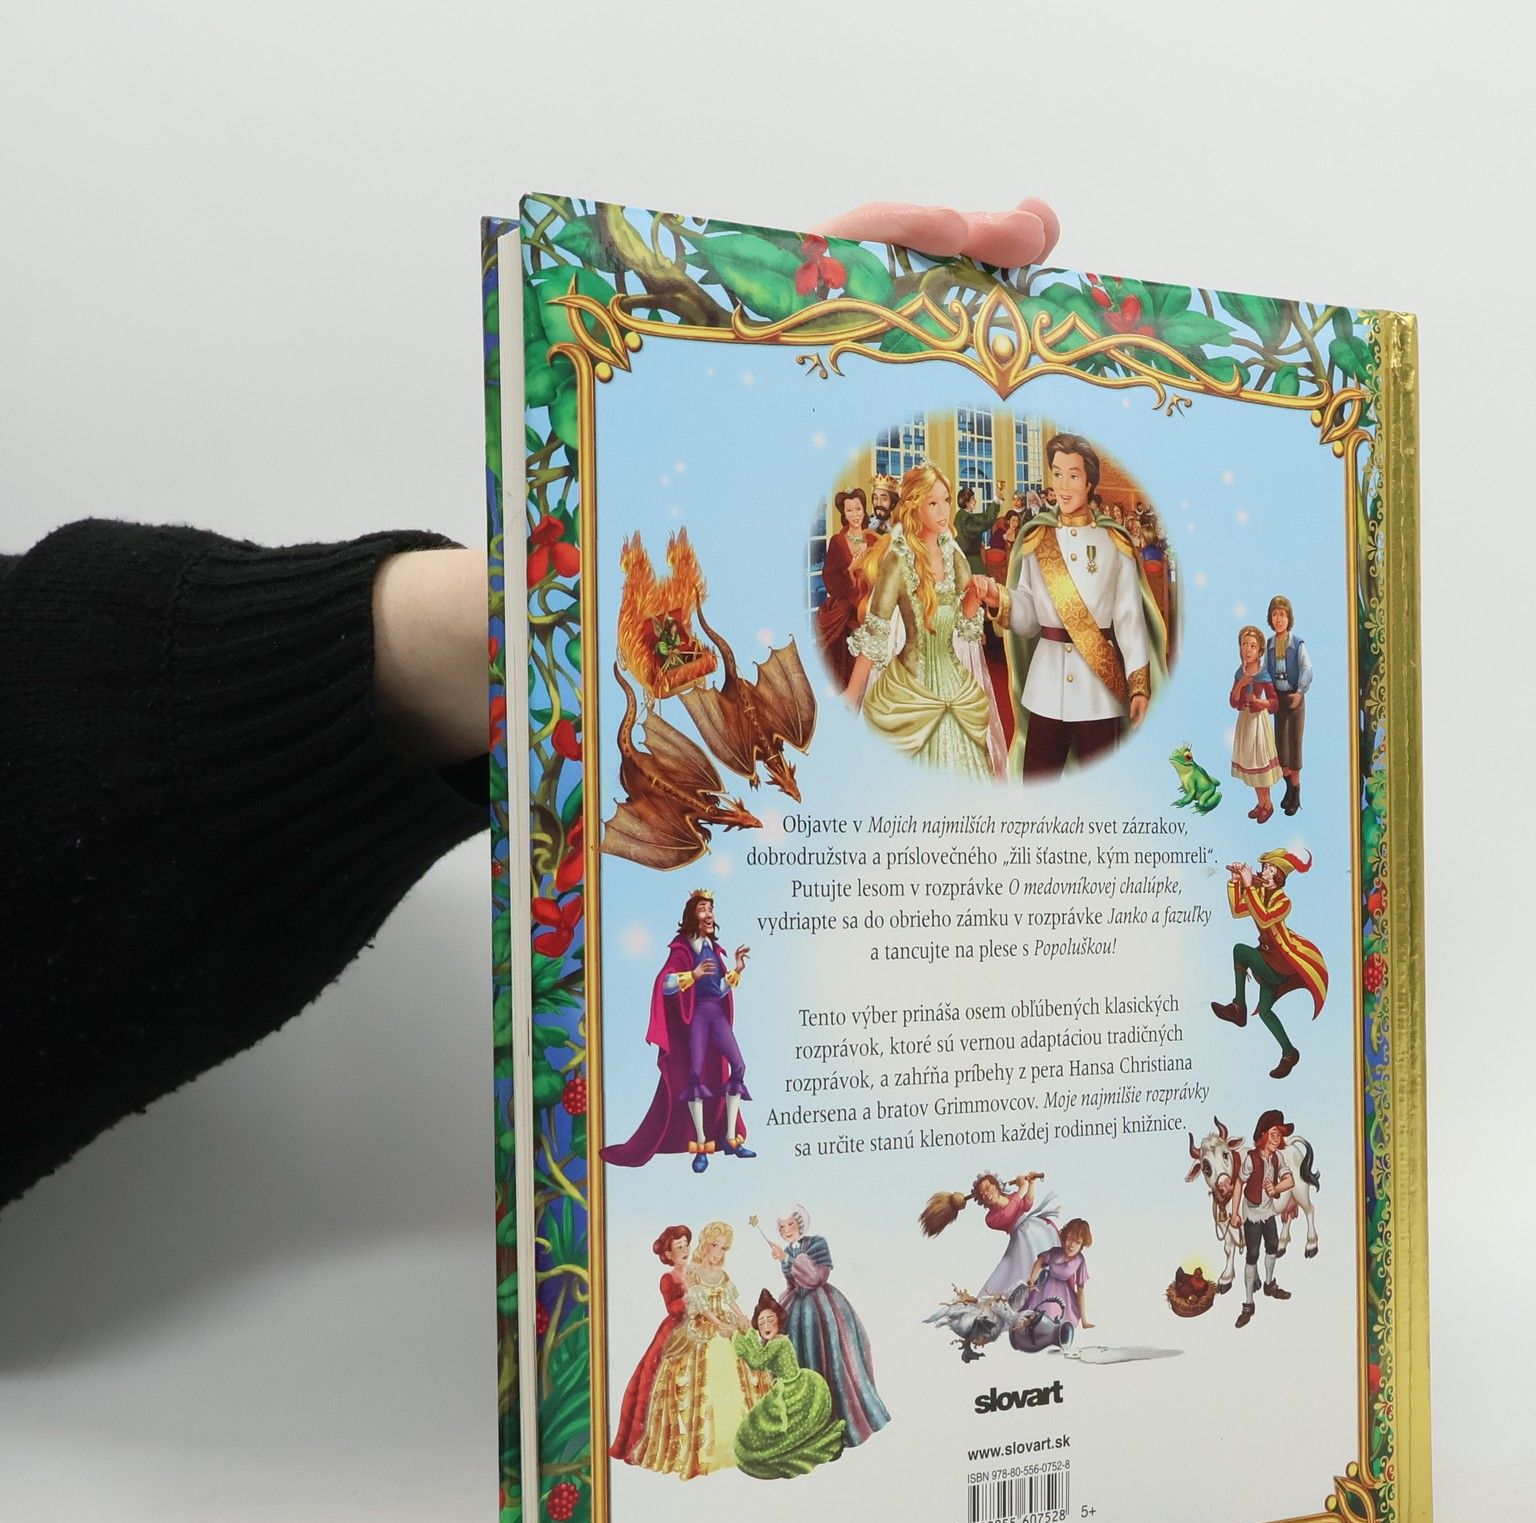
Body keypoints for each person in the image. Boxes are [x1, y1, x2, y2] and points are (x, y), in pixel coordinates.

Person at [0, 198, 1061, 1210]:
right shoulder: (874, 580)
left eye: (939, 502)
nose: (936, 511)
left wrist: (510, 624)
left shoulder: (945, 570)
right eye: (929, 500)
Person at [1000, 432, 1169, 779]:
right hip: (1046, 688)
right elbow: (1028, 619)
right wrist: (997, 600)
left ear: (1090, 482)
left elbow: (1129, 619)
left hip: (1099, 691)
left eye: (1073, 476)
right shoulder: (1036, 539)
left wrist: (1139, 685)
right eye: (1057, 474)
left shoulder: (1115, 542)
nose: (1063, 486)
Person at [844, 464, 1009, 778]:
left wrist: (975, 595)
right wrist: (853, 694)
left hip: (955, 683)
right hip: (910, 689)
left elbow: (965, 625)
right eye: (933, 503)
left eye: (946, 500)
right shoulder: (898, 560)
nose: (944, 510)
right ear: (914, 507)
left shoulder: (953, 555)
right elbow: (876, 633)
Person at [602, 888, 753, 1173]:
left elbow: (719, 989)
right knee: (695, 1075)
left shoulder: (713, 949)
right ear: (692, 916)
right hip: (697, 1017)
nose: (709, 914)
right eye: (703, 909)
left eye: (711, 909)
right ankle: (701, 1145)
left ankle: (731, 1138)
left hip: (716, 1015)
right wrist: (692, 975)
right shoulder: (682, 949)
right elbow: (665, 983)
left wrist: (737, 969)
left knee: (739, 1066)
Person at [633, 1221, 769, 1479]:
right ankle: (706, 1452)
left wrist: (742, 1318)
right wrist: (719, 1325)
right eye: (714, 1245)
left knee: (743, 1370)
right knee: (704, 1379)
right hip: (703, 1327)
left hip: (724, 1324)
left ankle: (742, 1443)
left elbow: (730, 1301)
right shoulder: (693, 1273)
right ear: (705, 1245)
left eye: (723, 1248)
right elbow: (702, 1307)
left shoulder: (723, 1274)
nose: (718, 1252)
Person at [769, 1205, 890, 1445]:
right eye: (782, 1227)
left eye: (790, 1224)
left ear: (800, 1224)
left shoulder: (816, 1243)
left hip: (823, 1309)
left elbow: (816, 1277)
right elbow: (791, 1284)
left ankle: (843, 1423)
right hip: (798, 1310)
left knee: (833, 1359)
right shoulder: (787, 1251)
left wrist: (788, 1259)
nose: (786, 1230)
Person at [1210, 845, 1328, 1078]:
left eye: (1270, 870)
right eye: (1264, 868)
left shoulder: (1283, 901)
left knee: (1240, 950)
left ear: (1279, 876)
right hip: (1267, 960)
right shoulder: (1260, 893)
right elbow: (1238, 910)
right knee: (1265, 1012)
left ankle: (1238, 1007)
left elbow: (1264, 919)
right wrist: (1235, 883)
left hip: (1279, 964)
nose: (1264, 872)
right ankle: (1289, 1052)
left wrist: (1248, 886)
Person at [730, 1292, 847, 1480]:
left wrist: (737, 1336)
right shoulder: (770, 1343)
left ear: (779, 1321)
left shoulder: (779, 1342)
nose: (766, 1326)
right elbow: (758, 1353)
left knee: (768, 1435)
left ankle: (797, 1452)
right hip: (784, 1390)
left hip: (794, 1389)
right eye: (761, 1323)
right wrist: (743, 1330)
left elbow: (757, 1361)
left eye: (770, 1320)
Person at [609, 1224, 695, 1465]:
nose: (685, 1250)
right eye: (679, 1247)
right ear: (669, 1254)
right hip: (676, 1329)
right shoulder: (668, 1279)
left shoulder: (696, 1271)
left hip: (699, 1325)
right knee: (652, 1378)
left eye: (686, 1245)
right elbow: (673, 1308)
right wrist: (690, 1294)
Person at [920, 1170, 1062, 1297]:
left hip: (1036, 1229)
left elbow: (1027, 1205)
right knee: (1024, 1269)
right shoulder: (990, 1218)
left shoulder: (1013, 1196)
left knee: (1048, 1261)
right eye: (982, 1194)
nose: (986, 1194)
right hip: (1021, 1239)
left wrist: (1030, 1184)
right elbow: (1008, 1213)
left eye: (988, 1187)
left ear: (997, 1185)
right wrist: (1022, 1188)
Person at [1229, 1112, 1295, 1329]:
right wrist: (1235, 1213)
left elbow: (1290, 1181)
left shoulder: (1277, 1158)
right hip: (1252, 1213)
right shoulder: (1251, 1158)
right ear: (1263, 1135)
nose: (1277, 1139)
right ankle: (1248, 1303)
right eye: (1274, 1134)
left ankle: (1268, 1283)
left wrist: (1275, 1188)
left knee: (1273, 1246)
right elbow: (1239, 1184)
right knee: (1252, 1255)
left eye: (1280, 1135)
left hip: (1268, 1212)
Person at [815, 488, 878, 688]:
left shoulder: (873, 540)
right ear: (844, 513)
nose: (855, 515)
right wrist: (850, 569)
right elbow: (829, 577)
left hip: (870, 600)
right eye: (849, 510)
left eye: (858, 509)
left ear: (864, 510)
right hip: (847, 604)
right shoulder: (837, 541)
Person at [1264, 593, 1312, 816]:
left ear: (1289, 617)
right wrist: (1267, 695)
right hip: (1279, 699)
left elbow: (1307, 669)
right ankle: (1289, 788)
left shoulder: (1298, 644)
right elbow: (1266, 672)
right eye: (1274, 614)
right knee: (1280, 747)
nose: (1278, 619)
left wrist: (1300, 693)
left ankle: (1296, 793)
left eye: (1282, 614)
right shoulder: (1270, 644)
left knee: (1294, 746)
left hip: (1295, 699)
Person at [1228, 623, 1282, 823]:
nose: (1247, 649)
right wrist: (1240, 685)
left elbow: (1274, 703)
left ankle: (1268, 804)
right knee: (1251, 765)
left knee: (1260, 766)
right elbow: (1233, 702)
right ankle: (1261, 803)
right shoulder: (1240, 673)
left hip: (1258, 724)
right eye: (1244, 644)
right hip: (1245, 723)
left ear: (1259, 651)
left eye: (1252, 646)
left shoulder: (1263, 674)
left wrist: (1259, 702)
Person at [1027, 1215, 1094, 1329]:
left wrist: (1084, 1320)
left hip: (1064, 1294)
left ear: (1082, 1245)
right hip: (1044, 1289)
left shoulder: (1080, 1260)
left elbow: (1081, 1290)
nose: (1071, 1245)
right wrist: (1032, 1280)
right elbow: (1040, 1260)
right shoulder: (1055, 1252)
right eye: (1069, 1238)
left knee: (1057, 1321)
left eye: (1077, 1242)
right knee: (1037, 1316)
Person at [952, 484, 1002, 566]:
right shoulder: (966, 517)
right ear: (966, 502)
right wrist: (997, 501)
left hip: (967, 556)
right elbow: (985, 522)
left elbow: (983, 517)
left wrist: (997, 501)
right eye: (973, 499)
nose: (975, 501)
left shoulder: (962, 514)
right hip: (969, 559)